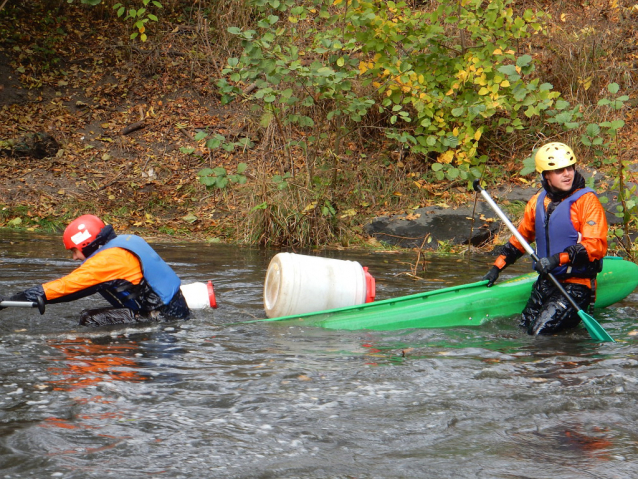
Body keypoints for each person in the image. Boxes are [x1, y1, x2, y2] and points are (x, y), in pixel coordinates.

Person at [482, 142, 608, 335]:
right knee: (522, 331)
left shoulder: (586, 202)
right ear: (546, 175)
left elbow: (595, 246)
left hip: (576, 287)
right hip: (546, 282)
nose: (567, 174)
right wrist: (496, 268)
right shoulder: (537, 202)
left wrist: (557, 259)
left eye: (569, 168)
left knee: (538, 335)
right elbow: (520, 240)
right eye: (558, 170)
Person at [1, 215, 190, 326]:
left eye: (74, 251)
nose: (74, 258)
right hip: (177, 306)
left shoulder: (107, 261)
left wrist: (9, 300)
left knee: (88, 318)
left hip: (161, 319)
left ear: (86, 243)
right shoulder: (127, 241)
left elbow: (64, 288)